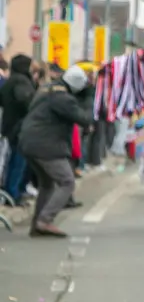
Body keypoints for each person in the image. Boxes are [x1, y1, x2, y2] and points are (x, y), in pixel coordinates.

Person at [17, 65, 92, 237]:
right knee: (67, 182)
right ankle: (45, 220)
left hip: (30, 141)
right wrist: (88, 99)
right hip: (46, 145)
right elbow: (84, 118)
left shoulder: (47, 89)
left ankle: (37, 225)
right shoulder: (62, 98)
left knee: (47, 184)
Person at [0, 55, 37, 202]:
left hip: (10, 125)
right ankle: (13, 193)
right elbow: (25, 100)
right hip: (20, 127)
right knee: (19, 161)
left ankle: (13, 191)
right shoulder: (21, 81)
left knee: (13, 159)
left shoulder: (10, 81)